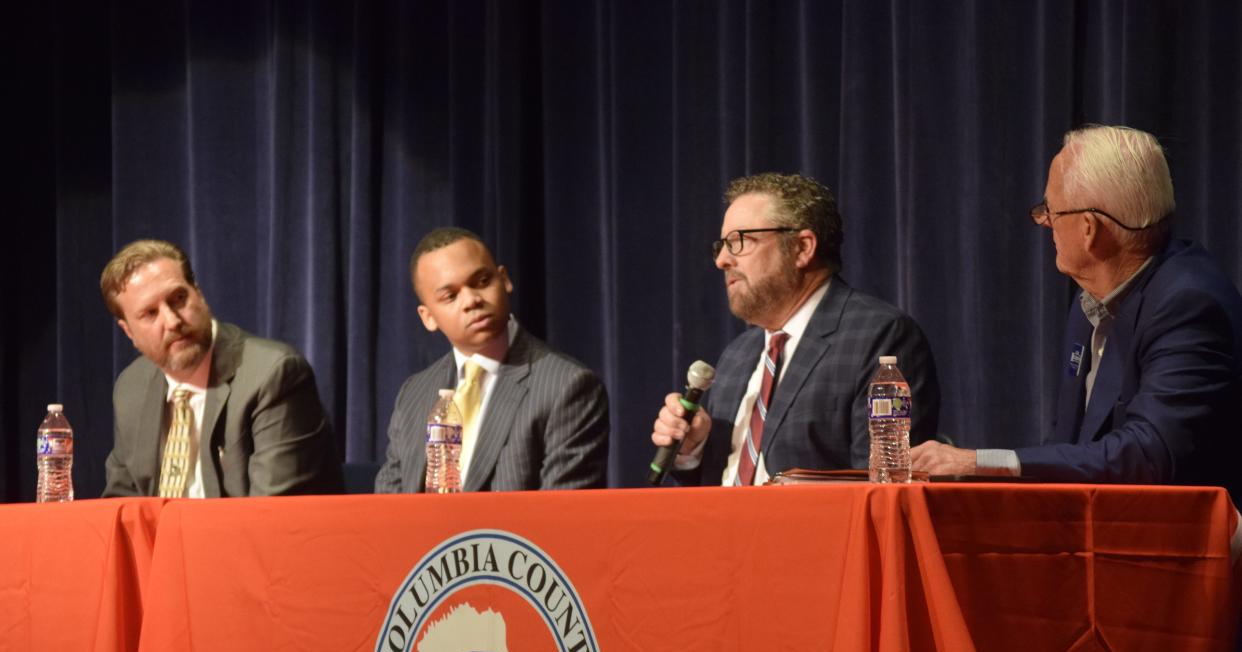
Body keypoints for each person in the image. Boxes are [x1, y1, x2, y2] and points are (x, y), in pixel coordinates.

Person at [911, 125, 1242, 506]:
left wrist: (981, 462)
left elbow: (1149, 454)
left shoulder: (1189, 304)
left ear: (1089, 229)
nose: (1044, 221)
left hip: (1185, 547)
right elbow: (1071, 446)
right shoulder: (1091, 300)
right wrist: (970, 477)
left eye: (1050, 209)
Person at [650, 172, 940, 485]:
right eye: (722, 244)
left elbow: (882, 489)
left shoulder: (880, 337)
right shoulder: (737, 356)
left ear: (802, 248)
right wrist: (694, 449)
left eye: (739, 241)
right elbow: (715, 489)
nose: (722, 260)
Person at [100, 239, 343, 497]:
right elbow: (121, 508)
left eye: (179, 298)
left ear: (199, 294)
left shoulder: (272, 375)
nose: (172, 321)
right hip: (164, 539)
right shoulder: (131, 388)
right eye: (150, 313)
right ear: (128, 331)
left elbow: (272, 517)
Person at [375, 227, 609, 492]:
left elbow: (560, 518)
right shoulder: (413, 394)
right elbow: (387, 509)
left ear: (504, 279)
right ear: (428, 316)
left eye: (482, 282)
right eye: (450, 296)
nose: (472, 300)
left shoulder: (567, 387)